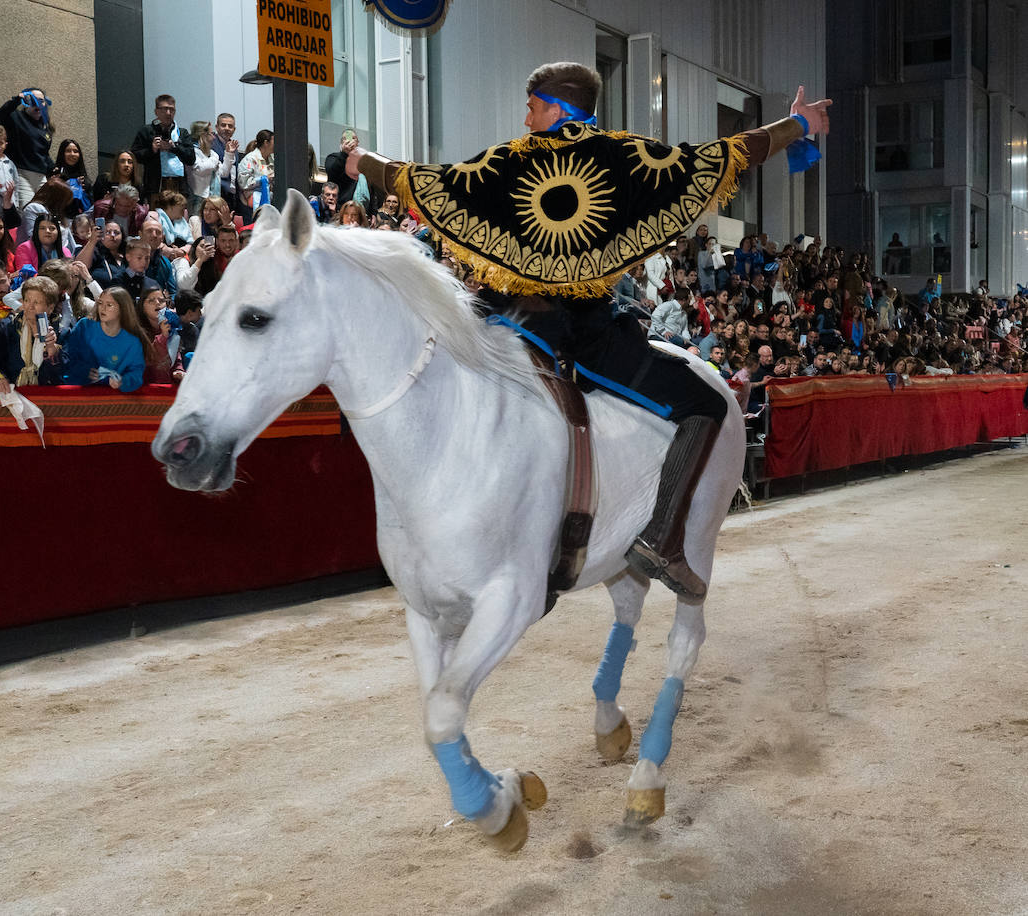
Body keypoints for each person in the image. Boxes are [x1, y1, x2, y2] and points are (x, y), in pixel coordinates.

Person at [346, 61, 831, 598]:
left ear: (556, 107)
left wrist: (361, 159)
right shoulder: (628, 157)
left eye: (532, 107)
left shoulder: (508, 161)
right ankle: (661, 541)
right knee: (709, 405)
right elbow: (727, 153)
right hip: (585, 335)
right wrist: (798, 127)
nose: (526, 118)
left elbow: (425, 180)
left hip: (502, 318)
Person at [60, 285, 149, 388]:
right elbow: (68, 357)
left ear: (122, 308)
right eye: (100, 303)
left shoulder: (132, 341)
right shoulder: (84, 327)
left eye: (109, 305)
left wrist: (123, 382)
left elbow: (136, 373)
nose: (103, 308)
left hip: (112, 398)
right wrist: (84, 371)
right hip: (78, 392)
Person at [0, 274, 65, 387]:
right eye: (26, 300)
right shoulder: (8, 327)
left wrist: (52, 350)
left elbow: (61, 375)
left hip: (46, 398)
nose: (30, 306)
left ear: (50, 308)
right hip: (13, 396)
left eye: (36, 302)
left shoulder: (61, 333)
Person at [0, 89, 55, 207]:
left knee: (44, 210)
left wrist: (55, 169)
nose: (37, 104)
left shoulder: (45, 127)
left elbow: (44, 154)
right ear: (26, 101)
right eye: (33, 100)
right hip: (22, 173)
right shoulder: (16, 117)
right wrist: (16, 100)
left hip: (41, 176)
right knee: (27, 209)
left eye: (41, 101)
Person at [131, 94, 194, 197]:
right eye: (164, 109)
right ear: (156, 111)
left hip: (179, 186)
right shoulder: (147, 131)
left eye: (171, 110)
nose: (168, 113)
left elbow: (191, 159)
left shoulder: (181, 133)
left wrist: (174, 148)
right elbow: (135, 155)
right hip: (155, 186)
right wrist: (153, 149)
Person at [185, 121, 233, 217]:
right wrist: (215, 159)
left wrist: (229, 154)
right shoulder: (193, 152)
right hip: (199, 197)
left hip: (214, 197)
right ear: (203, 135)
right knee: (197, 225)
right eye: (211, 134)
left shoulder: (212, 153)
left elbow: (224, 173)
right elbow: (201, 169)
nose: (214, 137)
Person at [19, 177, 73, 246]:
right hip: (33, 254)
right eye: (65, 200)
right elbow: (34, 237)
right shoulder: (34, 208)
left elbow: (70, 243)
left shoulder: (60, 215)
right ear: (57, 198)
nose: (66, 204)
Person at [194, 224, 238, 295]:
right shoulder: (210, 256)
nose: (227, 245)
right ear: (217, 241)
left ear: (236, 241)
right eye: (223, 241)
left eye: (231, 240)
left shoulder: (242, 256)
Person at [237, 130, 274, 211]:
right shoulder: (249, 159)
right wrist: (263, 179)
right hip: (253, 205)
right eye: (273, 141)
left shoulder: (272, 159)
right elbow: (244, 183)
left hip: (271, 202)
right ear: (266, 143)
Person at [323, 130, 360, 206]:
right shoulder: (333, 158)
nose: (349, 141)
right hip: (341, 207)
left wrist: (373, 211)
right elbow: (333, 173)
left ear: (357, 143)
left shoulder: (362, 162)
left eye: (353, 138)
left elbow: (370, 185)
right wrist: (344, 154)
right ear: (341, 143)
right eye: (345, 138)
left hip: (361, 209)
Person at [52, 139, 91, 211]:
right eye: (68, 151)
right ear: (62, 153)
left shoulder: (84, 180)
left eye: (75, 151)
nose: (72, 154)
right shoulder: (54, 174)